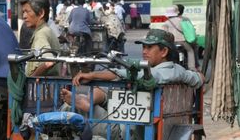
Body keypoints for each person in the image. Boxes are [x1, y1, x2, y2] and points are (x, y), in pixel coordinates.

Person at [72, 29, 204, 88]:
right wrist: (198, 76)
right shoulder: (179, 70)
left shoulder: (163, 72)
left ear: (164, 51)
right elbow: (197, 78)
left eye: (149, 48)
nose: (144, 52)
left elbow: (124, 73)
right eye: (144, 47)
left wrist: (93, 74)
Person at [19, 0, 61, 76]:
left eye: (27, 11)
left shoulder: (41, 34)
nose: (24, 16)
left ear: (41, 13)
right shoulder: (46, 30)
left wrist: (32, 77)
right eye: (23, 12)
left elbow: (48, 62)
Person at [162, 5, 198, 70]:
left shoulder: (166, 23)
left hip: (172, 43)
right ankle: (192, 67)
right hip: (182, 41)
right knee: (190, 51)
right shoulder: (182, 21)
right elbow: (187, 31)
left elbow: (164, 34)